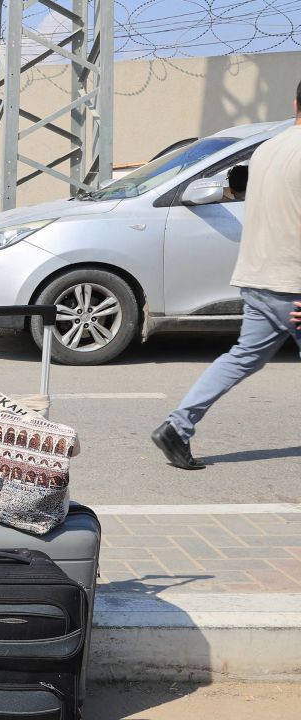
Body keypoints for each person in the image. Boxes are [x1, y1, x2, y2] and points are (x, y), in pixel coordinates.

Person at [153, 82, 301, 469]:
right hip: (294, 286)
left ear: (294, 103)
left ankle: (177, 426)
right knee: (243, 358)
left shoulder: (268, 148)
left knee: (242, 358)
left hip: (258, 277)